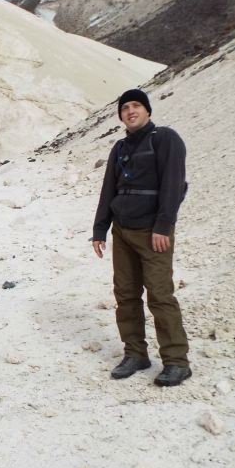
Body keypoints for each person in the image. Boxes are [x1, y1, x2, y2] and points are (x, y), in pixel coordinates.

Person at [91, 88, 191, 386]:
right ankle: (135, 353)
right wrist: (100, 229)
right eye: (125, 108)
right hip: (122, 230)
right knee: (125, 294)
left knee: (160, 295)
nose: (130, 111)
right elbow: (109, 189)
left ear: (147, 111)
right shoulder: (120, 147)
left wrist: (164, 224)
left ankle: (176, 361)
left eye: (136, 106)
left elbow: (173, 183)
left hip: (153, 231)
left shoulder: (165, 138)